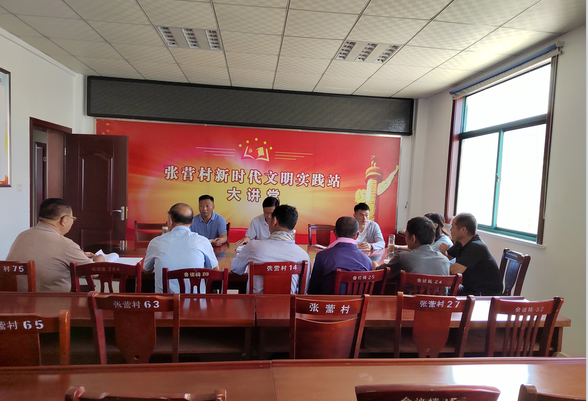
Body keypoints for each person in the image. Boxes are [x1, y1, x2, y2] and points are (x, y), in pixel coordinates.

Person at [6, 198, 105, 292]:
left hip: (15, 300)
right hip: (52, 301)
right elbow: (94, 272)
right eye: (72, 218)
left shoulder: (22, 235)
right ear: (64, 220)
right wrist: (99, 259)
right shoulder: (66, 244)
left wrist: (79, 255)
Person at [230, 205, 310, 294]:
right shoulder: (303, 256)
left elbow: (236, 269)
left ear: (274, 221)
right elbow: (305, 289)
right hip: (289, 303)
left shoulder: (253, 247)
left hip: (256, 303)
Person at [144, 203, 218, 293]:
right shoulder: (202, 241)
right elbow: (215, 269)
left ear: (170, 220)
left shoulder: (156, 242)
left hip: (165, 301)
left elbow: (147, 269)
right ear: (192, 222)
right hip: (196, 301)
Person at [308, 216, 376, 295]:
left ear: (334, 232)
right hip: (357, 303)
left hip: (328, 303)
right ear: (356, 235)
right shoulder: (367, 260)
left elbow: (312, 290)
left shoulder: (322, 257)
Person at [439, 213, 502, 296]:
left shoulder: (475, 246)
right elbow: (449, 257)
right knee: (439, 291)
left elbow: (454, 270)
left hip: (484, 293)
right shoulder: (460, 242)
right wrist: (444, 252)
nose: (450, 230)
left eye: (453, 227)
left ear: (463, 230)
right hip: (470, 289)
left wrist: (437, 268)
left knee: (441, 293)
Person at [377, 216, 449, 276]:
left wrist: (374, 265)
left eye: (406, 235)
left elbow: (380, 273)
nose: (405, 238)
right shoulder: (445, 261)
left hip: (409, 290)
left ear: (413, 238)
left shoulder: (403, 257)